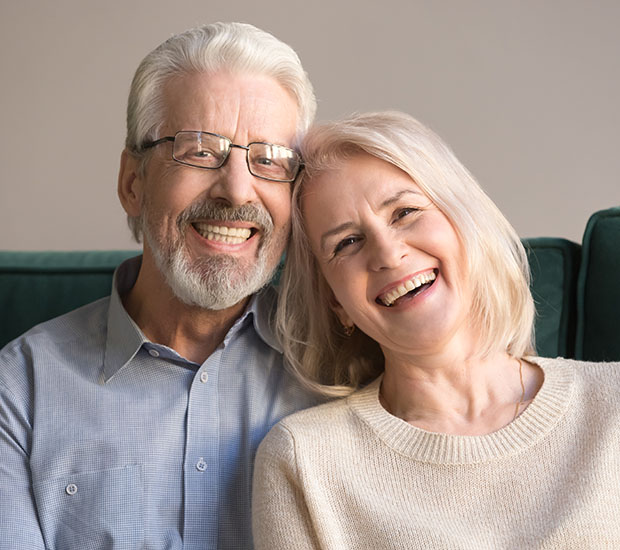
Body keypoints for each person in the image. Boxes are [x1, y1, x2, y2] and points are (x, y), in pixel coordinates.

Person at [0, 22, 319, 549]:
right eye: (198, 150)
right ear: (132, 183)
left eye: (268, 160)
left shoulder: (343, 364)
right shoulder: (20, 391)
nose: (237, 189)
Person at [252, 111, 620, 549]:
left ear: (467, 226)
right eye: (347, 243)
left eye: (405, 212)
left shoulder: (611, 406)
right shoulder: (303, 461)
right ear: (336, 302)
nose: (388, 254)